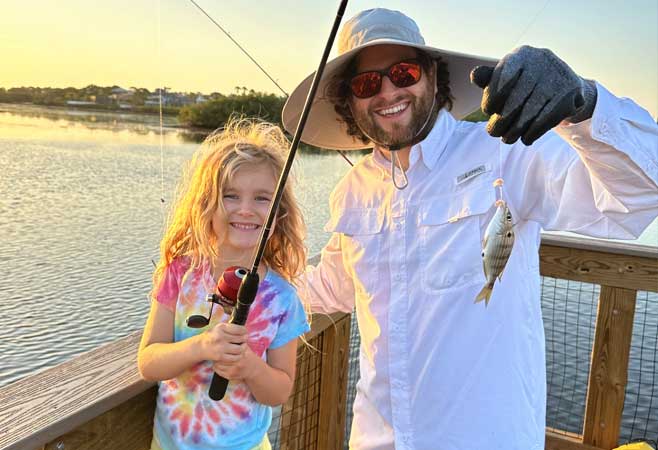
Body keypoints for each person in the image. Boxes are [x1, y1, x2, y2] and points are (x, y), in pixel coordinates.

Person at [282, 8, 658, 450]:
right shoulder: (353, 188)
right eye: (367, 83)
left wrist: (583, 104)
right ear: (351, 101)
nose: (387, 91)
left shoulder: (508, 150)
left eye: (403, 72)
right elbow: (334, 286)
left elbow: (639, 197)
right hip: (375, 438)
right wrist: (251, 293)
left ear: (433, 78)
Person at [137, 119, 310, 450]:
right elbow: (148, 362)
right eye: (231, 196)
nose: (245, 209)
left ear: (279, 214)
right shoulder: (180, 273)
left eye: (262, 199)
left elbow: (279, 391)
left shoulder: (283, 299)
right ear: (207, 205)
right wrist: (201, 347)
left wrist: (249, 366)